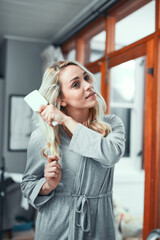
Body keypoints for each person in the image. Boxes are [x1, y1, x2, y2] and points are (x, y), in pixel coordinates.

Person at [21, 60, 125, 240]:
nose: (88, 85)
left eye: (86, 78)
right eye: (76, 84)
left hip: (99, 225)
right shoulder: (42, 136)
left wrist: (66, 120)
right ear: (60, 99)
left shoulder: (111, 125)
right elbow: (27, 184)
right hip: (56, 225)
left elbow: (111, 155)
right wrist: (47, 185)